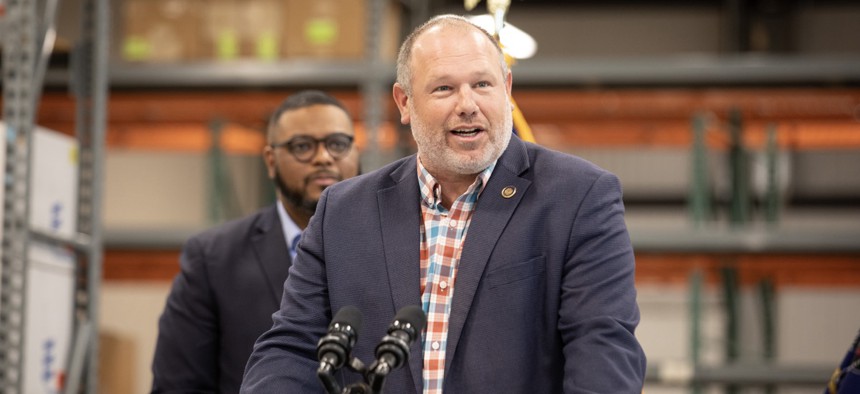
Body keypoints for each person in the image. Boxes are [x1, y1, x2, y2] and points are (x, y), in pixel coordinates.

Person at [241, 15, 646, 393]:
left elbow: (602, 348)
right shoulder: (343, 211)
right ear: (404, 103)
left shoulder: (578, 196)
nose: (467, 103)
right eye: (444, 88)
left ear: (507, 90)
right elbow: (290, 347)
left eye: (483, 85)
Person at [151, 90, 361, 393]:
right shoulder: (213, 259)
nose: (323, 157)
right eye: (302, 146)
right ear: (270, 160)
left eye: (338, 144)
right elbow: (178, 385)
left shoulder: (392, 244)